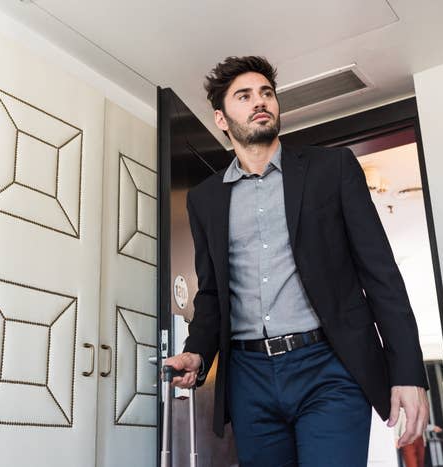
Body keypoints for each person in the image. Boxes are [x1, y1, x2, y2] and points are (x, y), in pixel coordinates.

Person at [164, 56, 429, 467]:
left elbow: (381, 274)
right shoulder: (205, 199)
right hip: (248, 377)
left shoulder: (332, 169)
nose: (260, 102)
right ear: (221, 118)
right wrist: (196, 354)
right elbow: (213, 294)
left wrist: (408, 371)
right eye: (245, 96)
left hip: (328, 368)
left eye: (266, 93)